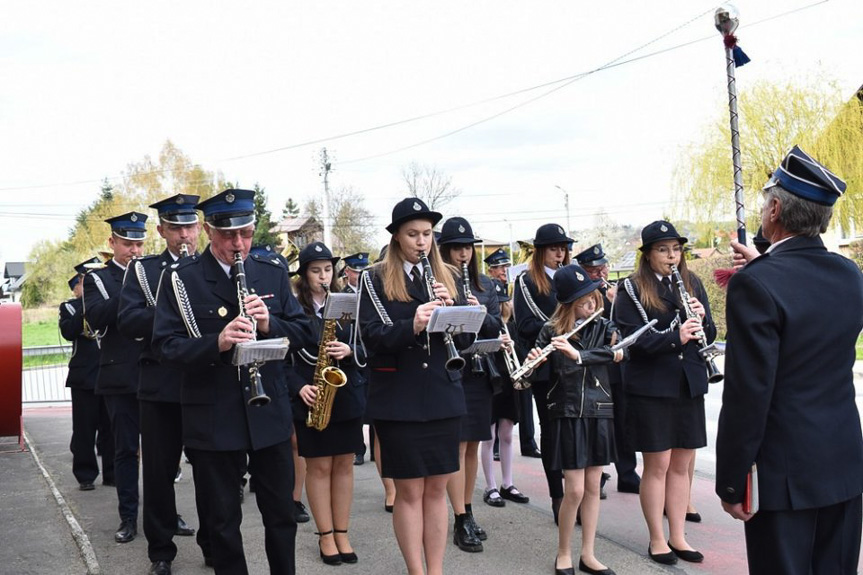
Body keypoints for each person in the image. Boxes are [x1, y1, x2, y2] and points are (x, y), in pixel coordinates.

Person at [716, 146, 863, 574]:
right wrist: (765, 267)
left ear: (775, 209)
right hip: (842, 464)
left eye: (766, 205)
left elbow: (748, 394)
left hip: (783, 476)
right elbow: (806, 297)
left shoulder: (756, 287)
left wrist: (731, 480)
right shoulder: (849, 274)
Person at [152, 189, 314, 575]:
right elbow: (165, 347)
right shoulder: (181, 280)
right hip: (213, 415)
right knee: (223, 523)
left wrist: (268, 324)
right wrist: (218, 343)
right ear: (208, 231)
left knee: (281, 515)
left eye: (245, 233)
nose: (237, 244)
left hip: (269, 413)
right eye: (227, 235)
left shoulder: (271, 269)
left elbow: (303, 332)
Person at [356, 197, 465, 575]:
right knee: (410, 491)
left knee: (437, 491)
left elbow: (467, 341)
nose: (422, 241)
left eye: (427, 234)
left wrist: (455, 314)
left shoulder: (448, 275)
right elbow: (371, 336)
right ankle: (415, 571)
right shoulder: (374, 278)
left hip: (442, 394)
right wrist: (413, 326)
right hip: (398, 399)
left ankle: (435, 570)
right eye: (413, 234)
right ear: (397, 237)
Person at [612, 220, 716, 565]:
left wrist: (702, 318)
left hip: (688, 382)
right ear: (648, 254)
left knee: (683, 464)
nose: (671, 256)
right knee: (658, 464)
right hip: (652, 386)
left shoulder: (691, 282)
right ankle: (657, 539)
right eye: (662, 250)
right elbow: (633, 342)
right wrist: (676, 337)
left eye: (676, 249)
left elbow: (710, 334)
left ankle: (678, 536)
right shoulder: (630, 289)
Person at [117, 194, 200, 575]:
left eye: (190, 226)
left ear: (199, 228)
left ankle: (215, 543)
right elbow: (128, 320)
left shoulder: (210, 267)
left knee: (216, 470)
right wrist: (171, 315)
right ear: (162, 230)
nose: (184, 235)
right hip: (161, 384)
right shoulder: (144, 271)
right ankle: (161, 551)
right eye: (176, 227)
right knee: (160, 470)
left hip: (205, 383)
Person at [527, 264, 623, 575]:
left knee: (594, 486)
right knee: (575, 491)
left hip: (599, 411)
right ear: (567, 304)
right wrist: (530, 364)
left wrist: (577, 355)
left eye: (592, 299)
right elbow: (534, 378)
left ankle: (589, 555)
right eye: (583, 302)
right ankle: (564, 552)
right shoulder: (550, 330)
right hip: (566, 412)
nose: (591, 305)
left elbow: (619, 354)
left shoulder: (605, 326)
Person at [289, 242, 366, 566]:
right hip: (312, 393)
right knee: (319, 467)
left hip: (344, 394)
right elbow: (282, 355)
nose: (323, 276)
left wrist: (349, 350)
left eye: (327, 269)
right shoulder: (294, 308)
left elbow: (366, 341)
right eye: (315, 270)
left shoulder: (349, 303)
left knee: (345, 464)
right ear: (304, 275)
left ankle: (342, 531)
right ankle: (325, 535)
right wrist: (299, 387)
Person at [438, 216, 510, 552]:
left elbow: (496, 325)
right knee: (457, 446)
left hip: (480, 373)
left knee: (472, 447)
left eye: (467, 247)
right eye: (455, 248)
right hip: (452, 373)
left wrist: (479, 311)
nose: (462, 254)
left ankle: (466, 510)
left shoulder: (484, 284)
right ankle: (457, 516)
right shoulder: (437, 283)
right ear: (446, 251)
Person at [83, 211, 148, 544]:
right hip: (119, 376)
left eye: (139, 243)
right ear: (112, 244)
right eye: (127, 244)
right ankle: (128, 516)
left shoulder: (155, 272)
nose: (135, 251)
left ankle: (163, 513)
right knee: (125, 451)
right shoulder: (98, 279)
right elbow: (98, 316)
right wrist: (133, 286)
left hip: (154, 373)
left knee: (161, 451)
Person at [513, 223, 572, 523]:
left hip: (574, 365)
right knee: (551, 434)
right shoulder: (526, 283)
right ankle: (557, 496)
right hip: (546, 368)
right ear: (540, 252)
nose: (559, 253)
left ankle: (575, 494)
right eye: (553, 248)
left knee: (574, 433)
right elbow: (524, 325)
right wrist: (560, 327)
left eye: (563, 248)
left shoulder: (573, 278)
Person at [575, 244, 639, 496]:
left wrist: (615, 301)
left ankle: (627, 473)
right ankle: (597, 475)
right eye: (594, 270)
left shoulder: (614, 291)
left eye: (603, 268)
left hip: (614, 366)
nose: (601, 274)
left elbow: (620, 328)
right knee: (597, 424)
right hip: (591, 368)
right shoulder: (581, 294)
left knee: (622, 421)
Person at [59, 258, 114, 492]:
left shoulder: (108, 303)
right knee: (84, 429)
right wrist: (85, 303)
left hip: (110, 373)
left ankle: (112, 474)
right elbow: (69, 332)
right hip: (84, 377)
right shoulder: (70, 307)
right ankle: (85, 474)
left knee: (111, 428)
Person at [480, 279, 531, 509]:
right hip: (490, 381)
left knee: (507, 434)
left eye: (504, 302)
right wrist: (494, 343)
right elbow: (476, 349)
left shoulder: (512, 326)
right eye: (499, 303)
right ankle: (490, 486)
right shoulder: (485, 324)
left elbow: (522, 353)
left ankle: (508, 483)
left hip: (509, 383)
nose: (503, 307)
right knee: (489, 437)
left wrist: (512, 346)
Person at [341, 252, 374, 467]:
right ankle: (358, 449)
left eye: (364, 271)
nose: (361, 275)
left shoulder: (371, 294)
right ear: (347, 273)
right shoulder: (341, 296)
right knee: (356, 407)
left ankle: (375, 449)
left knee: (372, 406)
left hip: (367, 355)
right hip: (348, 360)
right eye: (356, 271)